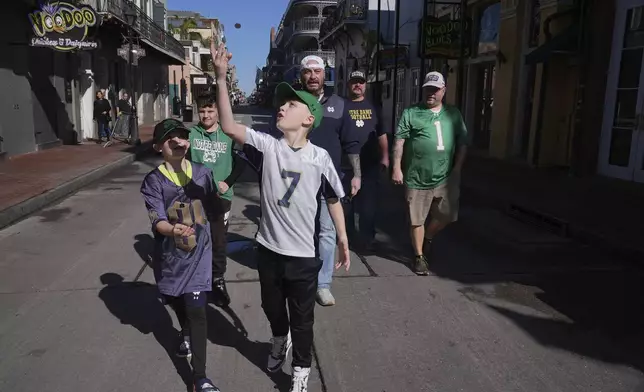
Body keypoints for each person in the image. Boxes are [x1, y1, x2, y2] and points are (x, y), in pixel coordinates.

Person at [211, 43, 350, 392]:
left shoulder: (320, 158)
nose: (282, 107)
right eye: (282, 102)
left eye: (291, 104)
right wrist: (221, 76)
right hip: (269, 250)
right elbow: (228, 125)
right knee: (272, 309)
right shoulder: (267, 145)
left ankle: (301, 369)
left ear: (308, 118)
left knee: (303, 319)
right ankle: (278, 341)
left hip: (303, 257)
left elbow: (333, 199)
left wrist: (343, 239)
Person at [140, 118, 221, 392]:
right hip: (171, 258)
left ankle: (200, 378)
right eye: (170, 138)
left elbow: (214, 210)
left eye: (182, 137)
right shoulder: (153, 182)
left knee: (197, 309)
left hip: (200, 256)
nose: (178, 142)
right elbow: (157, 221)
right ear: (157, 147)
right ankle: (183, 330)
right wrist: (172, 229)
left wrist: (218, 250)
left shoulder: (203, 173)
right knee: (177, 302)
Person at [299, 55, 361, 306]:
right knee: (302, 232)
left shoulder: (340, 104)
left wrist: (356, 174)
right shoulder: (292, 103)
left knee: (327, 233)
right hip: (299, 181)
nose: (312, 76)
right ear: (301, 76)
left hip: (330, 181)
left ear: (325, 75)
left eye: (317, 71)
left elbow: (351, 144)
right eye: (307, 72)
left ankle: (323, 285)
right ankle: (302, 279)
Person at [392, 71, 468, 275]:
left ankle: (429, 237)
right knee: (417, 219)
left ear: (443, 91)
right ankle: (419, 256)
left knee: (447, 215)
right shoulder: (411, 112)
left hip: (446, 177)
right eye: (427, 89)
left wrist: (458, 168)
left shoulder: (453, 114)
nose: (431, 93)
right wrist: (396, 168)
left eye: (435, 90)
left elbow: (462, 142)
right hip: (417, 177)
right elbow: (399, 141)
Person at [188, 95, 246, 307]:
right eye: (202, 111)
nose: (206, 115)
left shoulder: (228, 135)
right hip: (196, 198)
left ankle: (217, 279)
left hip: (222, 198)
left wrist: (227, 183)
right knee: (196, 238)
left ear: (218, 113)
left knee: (218, 240)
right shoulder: (192, 134)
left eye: (210, 111)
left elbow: (241, 164)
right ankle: (197, 279)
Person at [341, 70, 390, 250]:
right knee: (348, 204)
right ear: (349, 84)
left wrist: (385, 157)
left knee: (368, 206)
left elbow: (382, 134)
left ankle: (367, 238)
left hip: (369, 164)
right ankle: (347, 238)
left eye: (361, 82)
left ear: (365, 85)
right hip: (346, 164)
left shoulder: (374, 107)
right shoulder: (342, 106)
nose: (358, 85)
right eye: (354, 82)